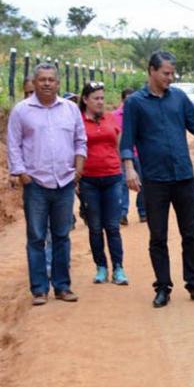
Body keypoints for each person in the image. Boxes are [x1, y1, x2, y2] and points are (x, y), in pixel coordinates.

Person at [121, 51, 194, 308]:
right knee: (158, 236)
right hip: (155, 180)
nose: (171, 77)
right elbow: (127, 140)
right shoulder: (135, 103)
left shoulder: (178, 97)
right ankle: (163, 287)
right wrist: (130, 169)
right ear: (152, 71)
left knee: (190, 234)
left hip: (183, 177)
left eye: (172, 73)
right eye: (166, 73)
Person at [7, 63, 86, 305]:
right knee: (36, 237)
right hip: (36, 184)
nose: (47, 83)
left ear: (58, 83)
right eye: (42, 79)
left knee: (62, 236)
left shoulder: (71, 109)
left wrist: (79, 167)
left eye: (51, 79)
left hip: (64, 182)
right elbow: (13, 143)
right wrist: (21, 173)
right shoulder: (21, 111)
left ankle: (62, 287)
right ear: (35, 82)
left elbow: (80, 139)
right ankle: (39, 290)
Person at [78, 81, 128, 286]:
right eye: (96, 98)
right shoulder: (78, 121)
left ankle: (118, 267)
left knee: (112, 226)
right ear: (85, 100)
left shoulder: (111, 119)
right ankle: (101, 267)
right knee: (95, 227)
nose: (100, 102)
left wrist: (126, 168)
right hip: (89, 180)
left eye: (102, 98)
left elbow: (119, 144)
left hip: (113, 177)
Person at [114, 86, 146, 225]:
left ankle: (143, 211)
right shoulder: (114, 116)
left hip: (139, 153)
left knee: (143, 183)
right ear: (122, 100)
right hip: (122, 155)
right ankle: (122, 214)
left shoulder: (142, 114)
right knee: (122, 184)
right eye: (127, 100)